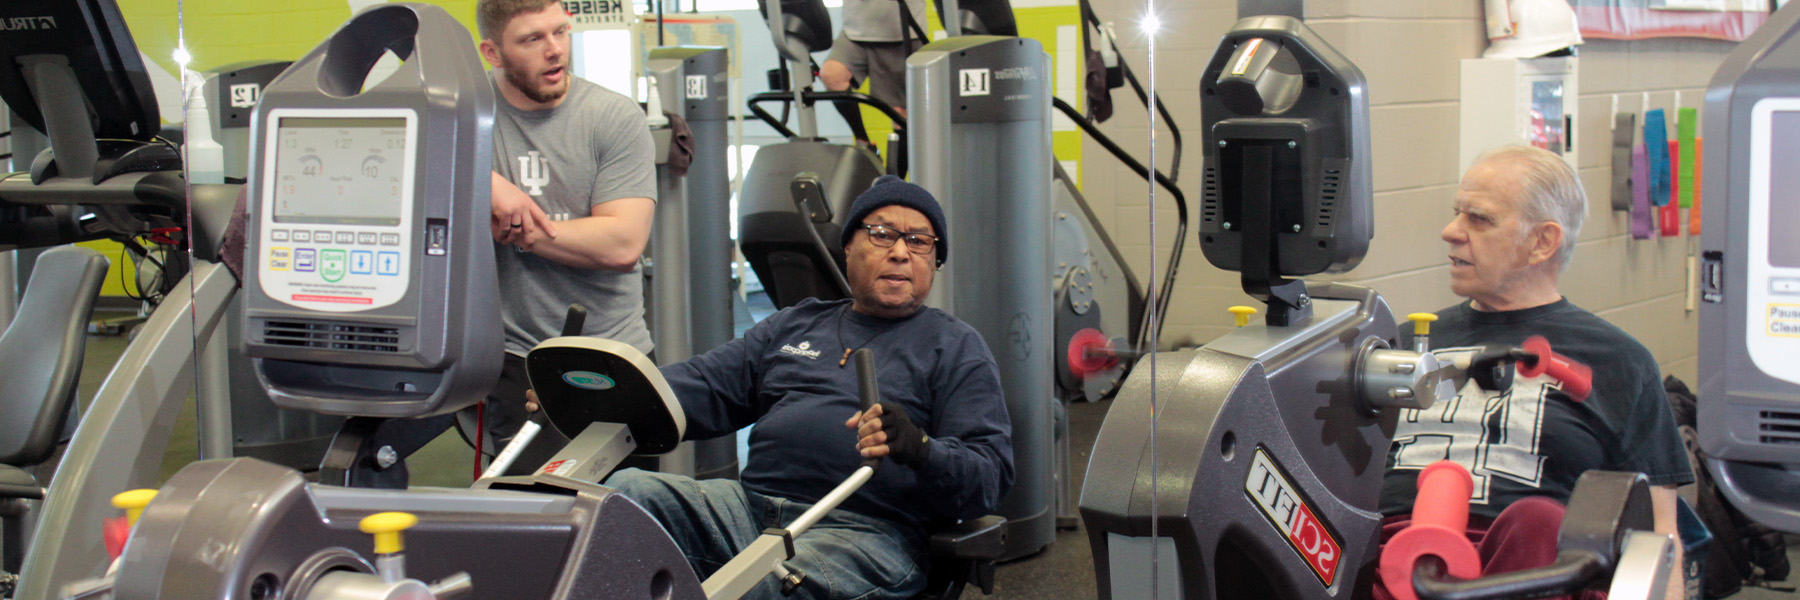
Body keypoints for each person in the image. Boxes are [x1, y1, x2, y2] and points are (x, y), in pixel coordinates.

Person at [594, 175, 1012, 599]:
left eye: (920, 241)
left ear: (934, 260)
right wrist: (604, 389)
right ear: (849, 245)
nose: (901, 252)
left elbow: (988, 476)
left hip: (865, 533)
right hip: (751, 510)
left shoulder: (956, 347)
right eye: (883, 234)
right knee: (621, 499)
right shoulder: (798, 322)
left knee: (764, 584)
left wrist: (920, 447)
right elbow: (703, 384)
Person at [1375, 145, 1695, 600]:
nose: (1450, 232)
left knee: (1540, 520)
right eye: (1456, 213)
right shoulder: (1404, 343)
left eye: (1479, 219)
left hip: (1530, 569)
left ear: (1543, 242)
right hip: (1392, 554)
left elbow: (1660, 535)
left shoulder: (1619, 360)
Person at [462, 0, 659, 469]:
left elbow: (623, 244)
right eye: (532, 39)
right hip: (516, 356)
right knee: (534, 524)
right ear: (492, 52)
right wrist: (485, 182)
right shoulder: (465, 118)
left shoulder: (613, 117)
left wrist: (519, 226)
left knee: (627, 517)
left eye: (560, 32)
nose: (554, 51)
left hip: (611, 352)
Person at [819, 0, 928, 119]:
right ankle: (862, 137)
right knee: (832, 75)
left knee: (899, 112)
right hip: (854, 31)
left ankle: (903, 136)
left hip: (901, 32)